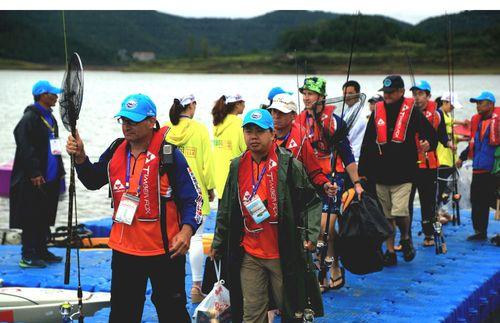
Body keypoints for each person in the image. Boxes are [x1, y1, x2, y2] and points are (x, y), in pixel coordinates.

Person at [66, 93, 202, 322]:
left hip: (165, 251)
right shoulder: (115, 150)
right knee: (122, 314)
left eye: (134, 121)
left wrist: (186, 231)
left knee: (173, 313)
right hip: (125, 250)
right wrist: (80, 157)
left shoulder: (170, 155)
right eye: (124, 120)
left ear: (152, 121)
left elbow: (194, 199)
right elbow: (92, 180)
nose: (127, 126)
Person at [210, 109, 323, 322]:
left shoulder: (289, 165)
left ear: (272, 134)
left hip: (283, 253)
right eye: (248, 131)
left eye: (260, 131)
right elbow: (226, 208)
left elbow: (312, 202)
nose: (253, 136)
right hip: (250, 253)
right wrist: (218, 243)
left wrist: (310, 235)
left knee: (291, 310)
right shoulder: (237, 165)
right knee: (251, 313)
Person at [359, 75, 437, 266]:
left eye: (391, 92)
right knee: (386, 216)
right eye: (384, 92)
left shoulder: (412, 111)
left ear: (401, 92)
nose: (387, 95)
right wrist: (362, 170)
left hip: (405, 173)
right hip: (380, 174)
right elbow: (368, 142)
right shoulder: (377, 111)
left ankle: (405, 237)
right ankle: (391, 251)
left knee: (400, 211)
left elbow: (431, 134)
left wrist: (429, 143)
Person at [296, 76, 363, 291]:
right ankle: (329, 264)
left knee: (324, 228)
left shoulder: (335, 121)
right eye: (304, 93)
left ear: (322, 97)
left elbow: (348, 155)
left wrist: (357, 184)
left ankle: (326, 273)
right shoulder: (299, 120)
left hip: (334, 178)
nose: (306, 97)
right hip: (310, 180)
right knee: (318, 231)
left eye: (311, 94)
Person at [10, 80, 65, 268]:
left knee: (45, 214)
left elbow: (55, 146)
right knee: (30, 216)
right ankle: (27, 255)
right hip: (33, 178)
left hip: (50, 177)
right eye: (53, 94)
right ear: (42, 95)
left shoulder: (50, 118)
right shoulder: (30, 118)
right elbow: (24, 146)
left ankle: (42, 250)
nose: (56, 97)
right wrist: (34, 172)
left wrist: (61, 172)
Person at [167, 94, 215, 303]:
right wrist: (211, 187)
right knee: (195, 238)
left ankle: (172, 286)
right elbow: (206, 163)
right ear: (192, 106)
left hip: (171, 193)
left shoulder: (168, 129)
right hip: (195, 192)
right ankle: (196, 286)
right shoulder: (200, 129)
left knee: (171, 237)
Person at [408, 80, 452, 247]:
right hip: (410, 166)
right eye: (414, 94)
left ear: (428, 96)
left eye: (420, 94)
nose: (417, 98)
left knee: (429, 204)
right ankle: (407, 238)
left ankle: (430, 235)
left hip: (429, 166)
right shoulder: (407, 113)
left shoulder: (437, 114)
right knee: (406, 205)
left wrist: (448, 143)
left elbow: (441, 136)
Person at [267, 93, 337, 196]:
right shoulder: (264, 134)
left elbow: (314, 172)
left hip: (291, 198)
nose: (276, 116)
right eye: (274, 111)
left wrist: (325, 184)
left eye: (282, 112)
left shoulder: (301, 139)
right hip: (268, 194)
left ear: (293, 116)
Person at [456, 91, 499, 241]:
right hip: (478, 168)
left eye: (481, 103)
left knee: (495, 201)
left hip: (493, 170)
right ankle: (480, 231)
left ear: (491, 104)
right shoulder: (477, 121)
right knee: (477, 200)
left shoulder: (497, 122)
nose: (477, 106)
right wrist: (462, 157)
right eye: (476, 103)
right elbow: (472, 144)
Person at [212, 94, 247, 202]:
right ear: (237, 105)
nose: (245, 105)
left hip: (219, 179)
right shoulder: (239, 124)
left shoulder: (218, 123)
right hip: (235, 179)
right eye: (243, 102)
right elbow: (247, 150)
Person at [436, 92, 464, 222]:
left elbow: (451, 122)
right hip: (442, 159)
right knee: (440, 188)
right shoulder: (439, 115)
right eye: (451, 106)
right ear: (445, 102)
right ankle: (436, 213)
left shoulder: (447, 116)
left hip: (450, 159)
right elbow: (445, 128)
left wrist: (462, 124)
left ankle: (443, 210)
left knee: (450, 187)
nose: (452, 109)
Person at [342, 80, 369, 163]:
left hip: (356, 160)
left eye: (350, 93)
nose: (347, 96)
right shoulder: (348, 110)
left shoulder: (361, 113)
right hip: (347, 158)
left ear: (358, 94)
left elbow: (348, 136)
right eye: (345, 93)